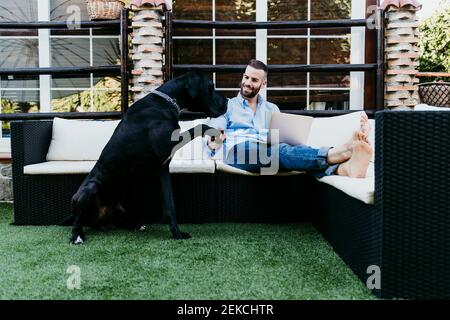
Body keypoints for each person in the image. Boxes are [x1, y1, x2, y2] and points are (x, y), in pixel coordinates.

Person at [207, 59, 372, 178]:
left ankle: (344, 169)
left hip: (270, 152)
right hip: (237, 152)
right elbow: (214, 135)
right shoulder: (226, 105)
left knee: (284, 152)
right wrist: (215, 139)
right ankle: (339, 152)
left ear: (263, 84)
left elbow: (280, 139)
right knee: (280, 151)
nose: (247, 82)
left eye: (254, 80)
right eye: (246, 77)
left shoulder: (272, 109)